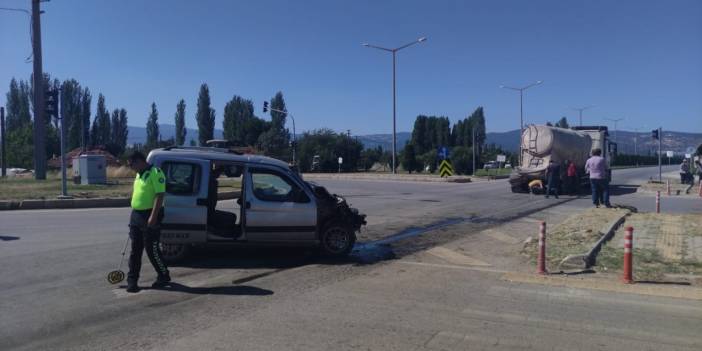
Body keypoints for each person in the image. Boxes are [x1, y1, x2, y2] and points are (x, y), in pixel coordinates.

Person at [126, 151, 171, 293]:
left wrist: (153, 216)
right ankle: (132, 281)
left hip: (150, 215)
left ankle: (163, 275)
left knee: (152, 250)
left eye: (132, 164)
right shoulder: (138, 175)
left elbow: (160, 195)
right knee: (135, 250)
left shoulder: (155, 173)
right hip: (136, 215)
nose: (131, 168)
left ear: (139, 161)